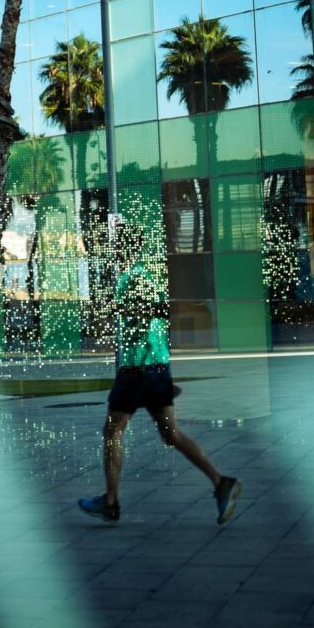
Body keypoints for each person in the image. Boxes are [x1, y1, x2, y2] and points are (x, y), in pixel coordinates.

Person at [79, 222, 242, 525]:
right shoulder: (139, 276)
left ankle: (110, 503)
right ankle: (221, 483)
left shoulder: (135, 278)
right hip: (154, 367)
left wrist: (116, 311)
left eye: (116, 246)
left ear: (124, 248)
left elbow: (150, 313)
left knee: (113, 431)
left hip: (138, 368)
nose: (113, 251)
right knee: (170, 434)